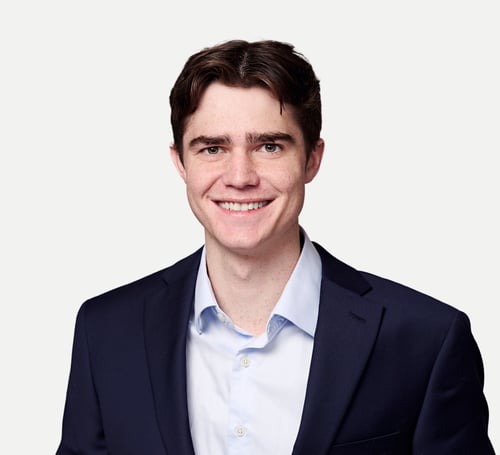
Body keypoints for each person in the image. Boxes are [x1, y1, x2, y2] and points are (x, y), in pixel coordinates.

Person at [56, 40, 495, 455]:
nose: (240, 176)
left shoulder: (426, 339)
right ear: (180, 163)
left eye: (269, 146)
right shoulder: (106, 331)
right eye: (212, 149)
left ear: (312, 159)